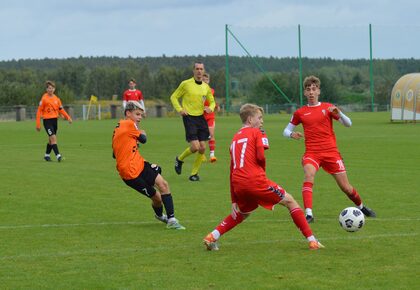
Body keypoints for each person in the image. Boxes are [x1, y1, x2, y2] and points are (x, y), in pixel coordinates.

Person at [203, 104, 324, 251]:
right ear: (249, 119)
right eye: (259, 118)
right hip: (255, 180)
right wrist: (262, 168)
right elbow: (260, 156)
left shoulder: (234, 139)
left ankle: (212, 236)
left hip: (238, 183)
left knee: (243, 213)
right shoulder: (256, 133)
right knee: (291, 201)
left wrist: (234, 199)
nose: (262, 121)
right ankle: (312, 241)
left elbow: (231, 170)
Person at [282, 75, 376, 223]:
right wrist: (291, 134)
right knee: (308, 175)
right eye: (308, 90)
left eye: (314, 89)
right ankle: (308, 214)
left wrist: (340, 113)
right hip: (312, 153)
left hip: (331, 153)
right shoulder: (300, 112)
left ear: (319, 91)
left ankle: (362, 207)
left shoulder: (328, 108)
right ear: (305, 93)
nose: (311, 92)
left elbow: (348, 124)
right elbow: (285, 131)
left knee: (346, 187)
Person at [112, 101, 185, 229]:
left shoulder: (119, 127)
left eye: (141, 115)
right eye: (137, 114)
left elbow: (114, 153)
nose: (140, 117)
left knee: (163, 184)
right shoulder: (129, 124)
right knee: (157, 198)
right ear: (128, 113)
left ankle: (172, 219)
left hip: (140, 164)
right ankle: (160, 216)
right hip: (130, 174)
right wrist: (143, 132)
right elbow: (144, 139)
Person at [170, 62, 215, 181]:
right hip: (189, 117)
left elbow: (212, 102)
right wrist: (180, 109)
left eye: (201, 69)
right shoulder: (186, 84)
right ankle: (179, 159)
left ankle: (194, 174)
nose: (199, 71)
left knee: (203, 148)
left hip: (201, 118)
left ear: (203, 71)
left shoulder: (206, 87)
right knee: (195, 147)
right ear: (193, 70)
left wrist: (210, 108)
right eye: (197, 69)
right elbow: (173, 97)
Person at [36, 80, 72, 162]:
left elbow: (61, 110)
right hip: (47, 121)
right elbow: (39, 111)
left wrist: (68, 117)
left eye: (52, 88)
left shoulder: (57, 99)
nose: (50, 90)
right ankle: (58, 156)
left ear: (54, 89)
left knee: (50, 140)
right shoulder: (44, 99)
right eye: (49, 88)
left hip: (55, 121)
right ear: (46, 89)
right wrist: (38, 124)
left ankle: (47, 155)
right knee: (53, 138)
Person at [202, 72, 219, 163]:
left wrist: (216, 106)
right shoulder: (198, 91)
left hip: (210, 116)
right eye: (203, 80)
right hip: (200, 116)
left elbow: (212, 101)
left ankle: (212, 155)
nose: (205, 81)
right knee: (202, 136)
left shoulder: (211, 91)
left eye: (206, 80)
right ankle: (202, 155)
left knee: (211, 134)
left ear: (209, 81)